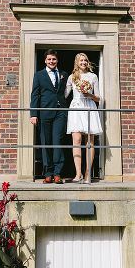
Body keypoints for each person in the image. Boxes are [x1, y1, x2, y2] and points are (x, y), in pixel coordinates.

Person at [30, 50, 67, 184]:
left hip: (60, 113)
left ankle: (57, 173)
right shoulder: (39, 75)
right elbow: (35, 94)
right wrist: (33, 114)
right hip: (44, 113)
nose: (52, 61)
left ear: (57, 60)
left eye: (54, 59)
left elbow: (67, 93)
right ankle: (48, 173)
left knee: (57, 142)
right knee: (46, 143)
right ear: (45, 61)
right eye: (49, 59)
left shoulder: (64, 74)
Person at [65, 53, 103, 184]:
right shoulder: (72, 77)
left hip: (89, 107)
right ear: (77, 62)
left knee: (90, 141)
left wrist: (89, 94)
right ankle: (78, 174)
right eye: (81, 60)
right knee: (76, 139)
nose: (84, 62)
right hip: (76, 107)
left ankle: (88, 174)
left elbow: (98, 98)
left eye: (85, 60)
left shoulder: (93, 76)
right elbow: (64, 94)